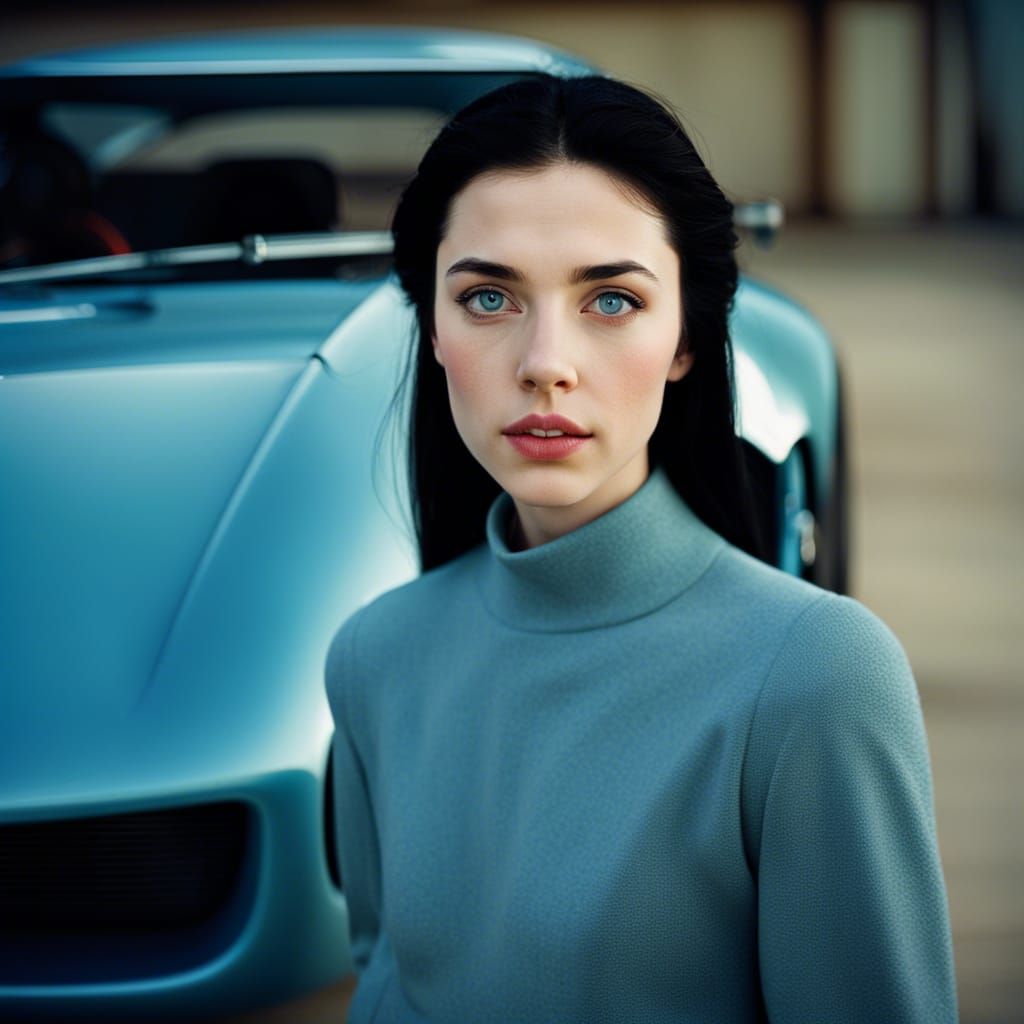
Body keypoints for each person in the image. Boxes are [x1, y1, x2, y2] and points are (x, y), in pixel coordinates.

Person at [325, 73, 958, 1023]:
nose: (546, 362)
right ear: (432, 327)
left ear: (687, 337)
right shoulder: (376, 656)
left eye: (611, 300)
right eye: (489, 297)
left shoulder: (817, 675)